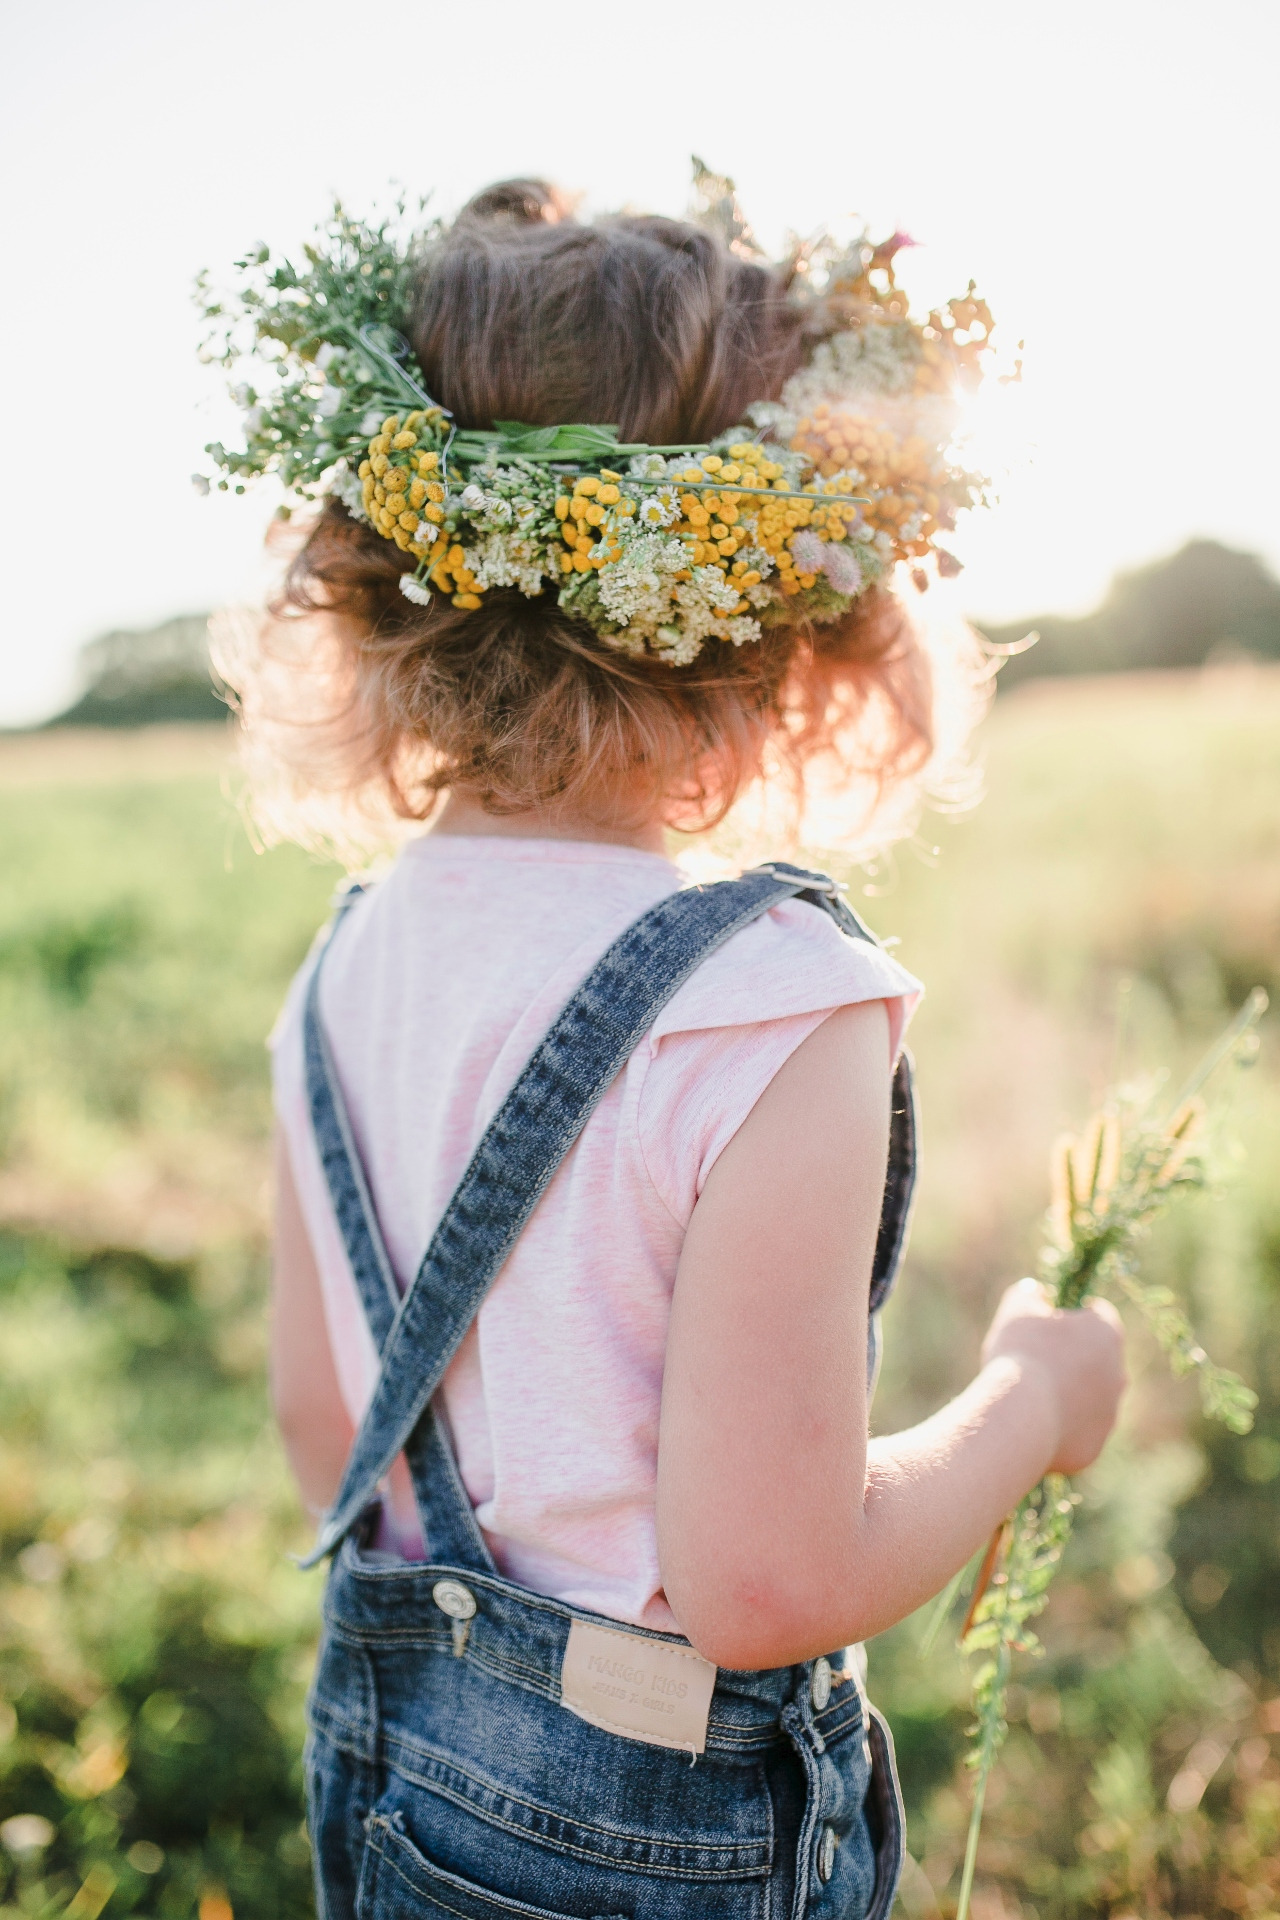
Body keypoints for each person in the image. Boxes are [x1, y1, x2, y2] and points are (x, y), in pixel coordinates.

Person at [225, 178, 1127, 1920]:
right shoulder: (772, 1003)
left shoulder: (347, 964)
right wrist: (1033, 1399)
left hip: (400, 1756)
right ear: (795, 616)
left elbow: (320, 1419)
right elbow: (770, 1584)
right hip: (656, 1834)